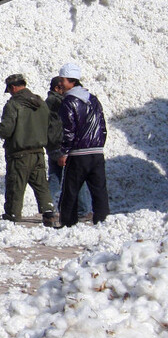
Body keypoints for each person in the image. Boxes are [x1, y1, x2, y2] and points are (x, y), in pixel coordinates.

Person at [0, 73, 59, 227]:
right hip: (38, 152)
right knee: (41, 185)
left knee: (15, 186)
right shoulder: (41, 103)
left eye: (9, 89)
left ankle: (12, 216)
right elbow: (49, 124)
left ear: (13, 87)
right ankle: (49, 213)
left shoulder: (13, 104)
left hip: (19, 154)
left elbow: (7, 129)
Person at [55, 62, 109, 227]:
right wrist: (99, 145)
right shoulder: (93, 99)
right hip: (97, 153)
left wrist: (64, 152)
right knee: (99, 190)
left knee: (70, 191)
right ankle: (103, 221)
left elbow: (68, 130)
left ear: (71, 82)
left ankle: (68, 223)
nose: (60, 84)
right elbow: (103, 127)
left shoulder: (69, 102)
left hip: (79, 154)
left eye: (62, 80)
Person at [46, 76, 91, 220]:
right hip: (63, 144)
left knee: (55, 177)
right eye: (63, 87)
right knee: (77, 175)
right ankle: (83, 210)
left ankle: (49, 208)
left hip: (52, 144)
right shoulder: (61, 102)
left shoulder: (47, 103)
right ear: (57, 88)